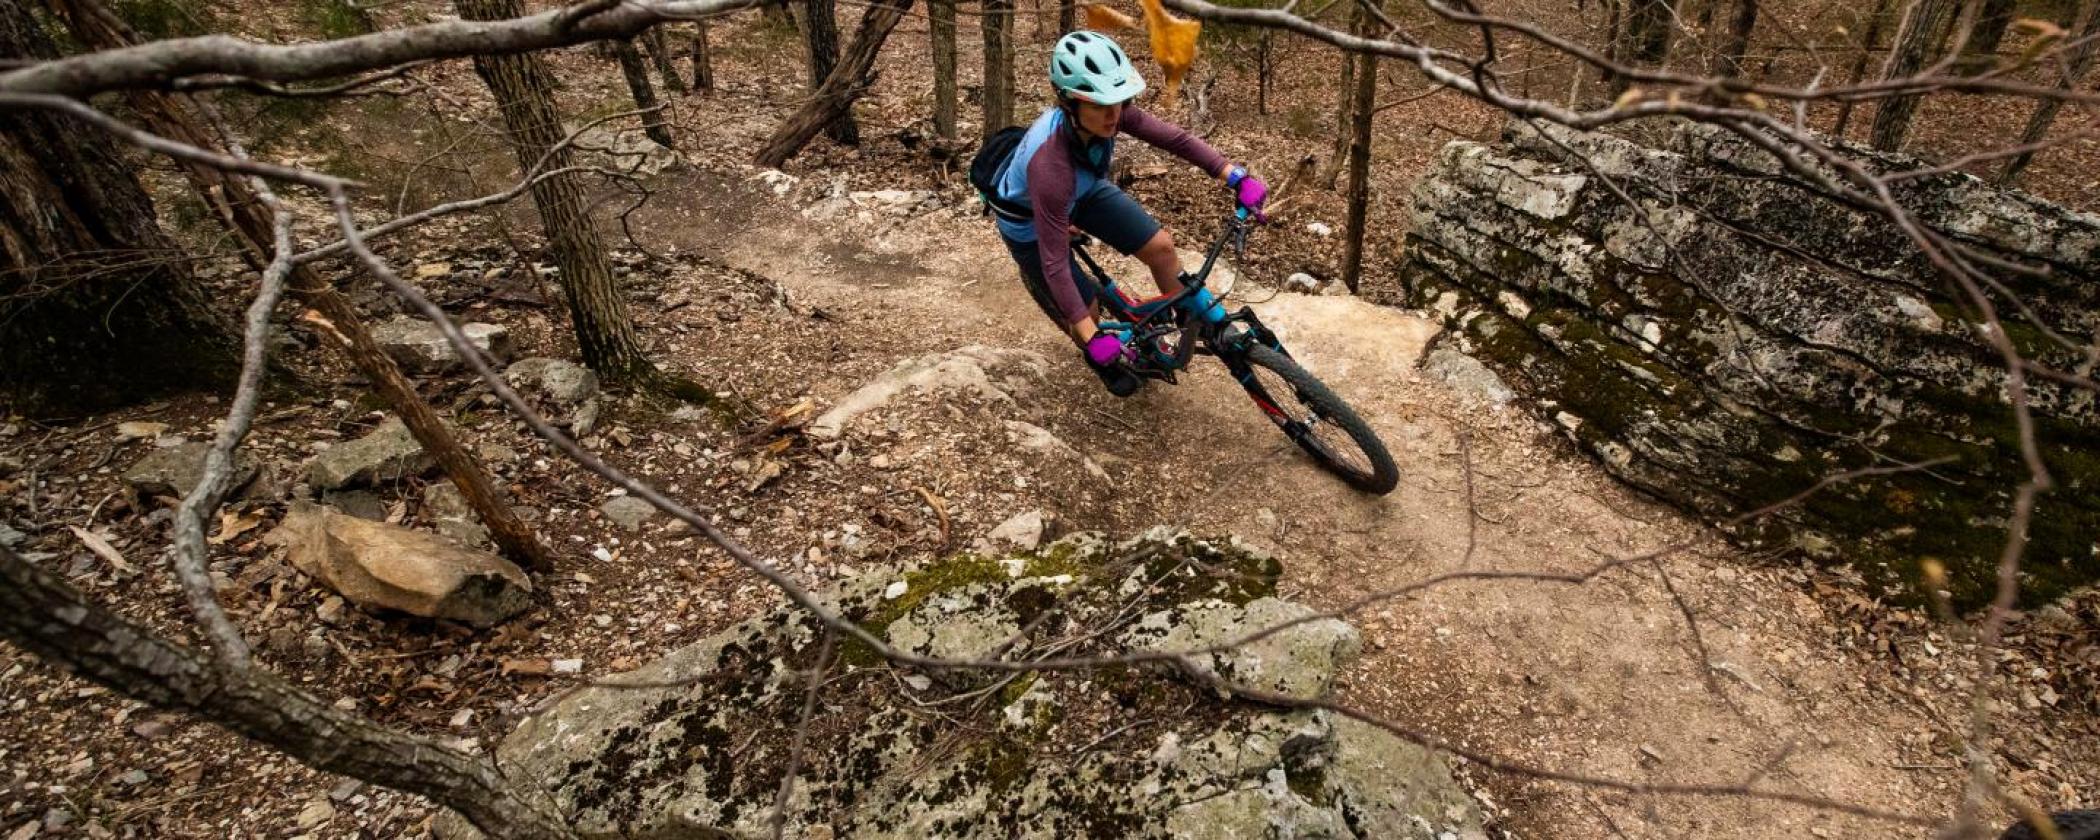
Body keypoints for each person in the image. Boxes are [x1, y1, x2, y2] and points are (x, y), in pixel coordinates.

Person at [987, 30, 1269, 396]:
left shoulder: (1112, 114)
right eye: (1102, 105)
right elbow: (1054, 261)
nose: (1114, 114)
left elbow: (1176, 139)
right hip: (1029, 223)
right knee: (1086, 312)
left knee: (1162, 249)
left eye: (1119, 102)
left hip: (1082, 191)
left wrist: (1232, 175)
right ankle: (1100, 359)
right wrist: (1090, 337)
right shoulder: (1050, 166)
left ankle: (1185, 323)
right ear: (1071, 103)